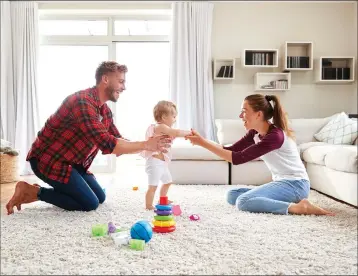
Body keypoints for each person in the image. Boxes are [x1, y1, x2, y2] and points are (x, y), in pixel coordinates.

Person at [6, 61, 171, 215]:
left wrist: (149, 146)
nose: (124, 87)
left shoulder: (104, 111)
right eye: (120, 82)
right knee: (89, 203)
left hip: (73, 164)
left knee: (100, 197)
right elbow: (108, 144)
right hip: (48, 161)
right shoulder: (82, 102)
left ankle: (57, 189)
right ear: (105, 79)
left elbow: (117, 140)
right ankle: (35, 192)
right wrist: (146, 145)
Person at [186, 94, 335, 216]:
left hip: (296, 185)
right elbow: (231, 149)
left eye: (244, 111)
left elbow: (237, 159)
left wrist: (202, 143)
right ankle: (289, 203)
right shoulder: (255, 133)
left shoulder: (275, 136)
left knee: (243, 202)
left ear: (258, 114)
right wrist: (202, 140)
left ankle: (299, 208)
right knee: (232, 195)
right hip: (281, 183)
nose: (240, 115)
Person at [140, 101, 192, 210]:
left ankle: (162, 199)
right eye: (173, 116)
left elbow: (173, 135)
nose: (175, 119)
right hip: (154, 163)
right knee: (153, 186)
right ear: (164, 117)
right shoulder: (160, 127)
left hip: (162, 164)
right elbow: (176, 133)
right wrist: (190, 133)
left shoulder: (165, 130)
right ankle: (148, 205)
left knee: (168, 182)